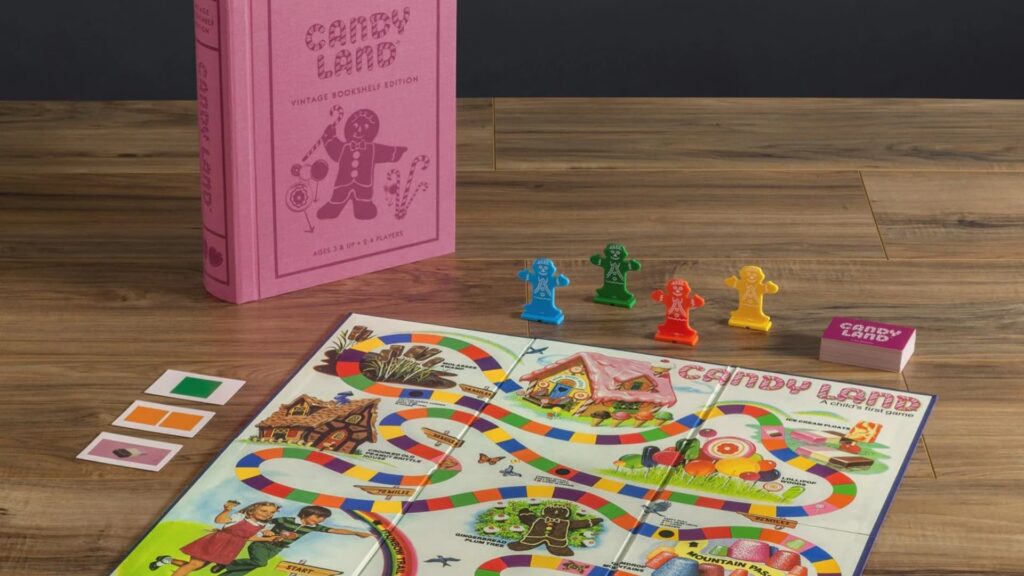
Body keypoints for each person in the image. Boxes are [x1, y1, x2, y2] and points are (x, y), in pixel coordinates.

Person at [211, 505, 371, 575]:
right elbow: (262, 522)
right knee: (260, 563)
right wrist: (265, 530)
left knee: (250, 568)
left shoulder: (313, 527)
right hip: (263, 544)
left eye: (323, 518)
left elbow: (335, 530)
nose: (320, 520)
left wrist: (356, 533)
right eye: (318, 517)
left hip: (276, 549)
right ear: (305, 515)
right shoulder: (285, 520)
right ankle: (226, 563)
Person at [149, 501, 280, 575]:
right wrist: (226, 510)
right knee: (195, 564)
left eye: (272, 512)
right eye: (264, 510)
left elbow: (249, 537)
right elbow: (219, 520)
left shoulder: (264, 525)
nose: (268, 514)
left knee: (196, 567)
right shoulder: (240, 517)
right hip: (217, 541)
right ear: (251, 511)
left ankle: (166, 560)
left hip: (230, 548)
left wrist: (268, 538)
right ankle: (165, 560)